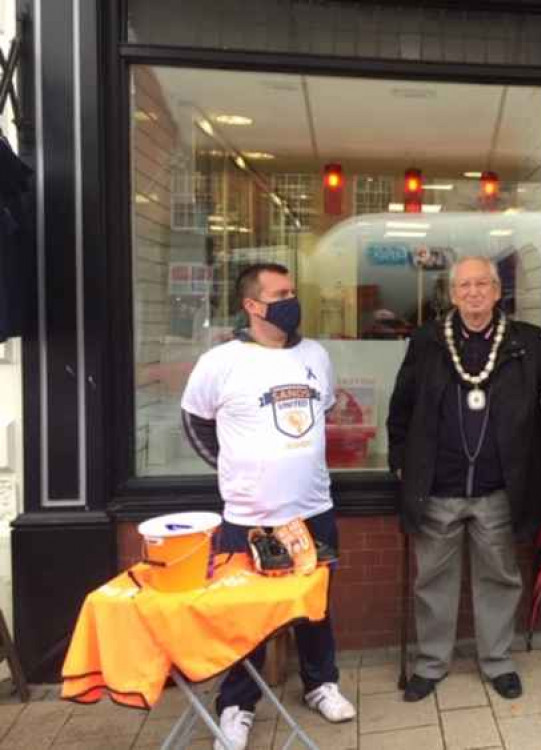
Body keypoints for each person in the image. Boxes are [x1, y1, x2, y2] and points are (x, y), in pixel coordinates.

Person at [387, 256, 541, 702]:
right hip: (439, 486)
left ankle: (496, 661)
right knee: (432, 581)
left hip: (498, 487)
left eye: (482, 285)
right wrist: (400, 459)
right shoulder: (428, 341)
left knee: (499, 577)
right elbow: (402, 406)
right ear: (452, 294)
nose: (473, 293)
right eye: (464, 286)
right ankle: (431, 664)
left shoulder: (524, 341)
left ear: (498, 292)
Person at [181, 263, 356, 750]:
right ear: (252, 305)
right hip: (250, 517)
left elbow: (317, 415)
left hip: (313, 509)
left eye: (293, 292)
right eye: (280, 294)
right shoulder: (222, 362)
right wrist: (234, 467)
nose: (291, 301)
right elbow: (195, 422)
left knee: (314, 606)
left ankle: (321, 684)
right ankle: (237, 705)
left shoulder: (315, 356)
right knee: (246, 615)